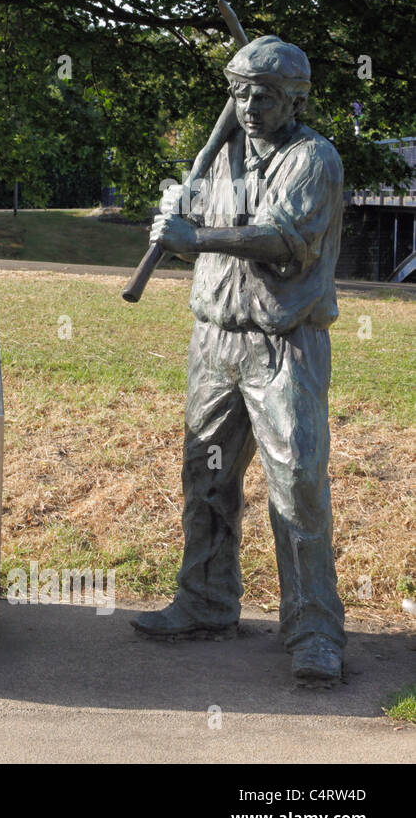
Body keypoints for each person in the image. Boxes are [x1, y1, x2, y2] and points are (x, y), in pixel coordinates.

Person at [132, 36, 347, 685]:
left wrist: (194, 239)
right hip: (215, 340)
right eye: (241, 92)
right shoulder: (218, 156)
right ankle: (206, 600)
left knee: (299, 480)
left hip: (283, 343)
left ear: (295, 100)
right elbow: (185, 214)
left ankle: (314, 630)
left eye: (266, 95)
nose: (250, 105)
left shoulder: (315, 159)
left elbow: (286, 241)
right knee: (205, 477)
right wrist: (174, 207)